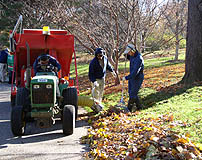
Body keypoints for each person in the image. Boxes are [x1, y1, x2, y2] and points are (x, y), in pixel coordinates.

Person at [122, 44, 144, 111]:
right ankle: (139, 107)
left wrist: (126, 77)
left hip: (137, 77)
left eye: (129, 52)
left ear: (133, 50)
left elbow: (135, 73)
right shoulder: (132, 56)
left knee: (133, 94)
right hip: (132, 77)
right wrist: (125, 54)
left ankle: (128, 109)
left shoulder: (139, 59)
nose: (128, 53)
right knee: (131, 92)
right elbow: (128, 56)